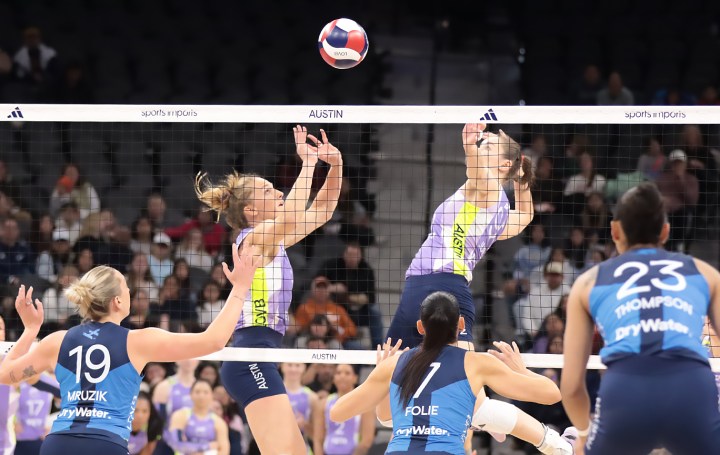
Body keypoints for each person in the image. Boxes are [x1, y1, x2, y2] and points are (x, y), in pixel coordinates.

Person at [0, 243, 260, 455]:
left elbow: (4, 375)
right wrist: (240, 287)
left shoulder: (57, 341)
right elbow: (213, 341)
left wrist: (30, 330)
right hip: (106, 444)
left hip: (59, 444)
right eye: (126, 288)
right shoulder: (138, 341)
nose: (130, 293)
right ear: (116, 301)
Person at [194, 125, 343, 455]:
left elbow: (322, 210)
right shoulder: (253, 239)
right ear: (251, 211)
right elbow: (290, 216)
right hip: (250, 356)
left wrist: (335, 165)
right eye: (269, 190)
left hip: (262, 355)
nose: (278, 193)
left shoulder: (274, 241)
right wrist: (308, 164)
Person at [561, 182, 720, 454]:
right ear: (665, 231)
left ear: (615, 231)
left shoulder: (587, 283)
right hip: (691, 390)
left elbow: (572, 387)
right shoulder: (705, 273)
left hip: (626, 393)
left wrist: (585, 435)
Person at [330, 292, 574, 455]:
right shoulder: (477, 363)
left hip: (400, 451)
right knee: (488, 412)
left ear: (420, 327)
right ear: (461, 325)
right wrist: (521, 370)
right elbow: (552, 394)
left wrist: (382, 377)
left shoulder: (393, 364)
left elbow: (337, 412)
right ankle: (559, 445)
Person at [387, 123, 533, 349]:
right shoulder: (497, 212)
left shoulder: (490, 189)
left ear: (504, 165)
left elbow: (478, 174)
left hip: (439, 284)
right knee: (397, 361)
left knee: (402, 360)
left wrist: (469, 145)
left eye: (488, 147)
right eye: (482, 145)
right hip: (433, 284)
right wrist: (520, 177)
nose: (482, 147)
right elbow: (525, 214)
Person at [313, 364, 375, 455]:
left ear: (355, 378)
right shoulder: (324, 403)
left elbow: (367, 440)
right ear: (334, 378)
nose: (342, 376)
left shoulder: (364, 404)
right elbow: (318, 438)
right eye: (338, 373)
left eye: (347, 373)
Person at [165, 379, 230, 455]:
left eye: (206, 392)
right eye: (197, 392)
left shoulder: (219, 422)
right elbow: (176, 444)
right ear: (190, 394)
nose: (201, 396)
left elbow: (224, 451)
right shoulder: (180, 416)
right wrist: (207, 446)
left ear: (212, 395)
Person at [152, 359, 200, 455]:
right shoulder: (164, 386)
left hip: (194, 445)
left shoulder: (202, 388)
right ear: (177, 360)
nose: (189, 361)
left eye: (194, 357)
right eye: (186, 357)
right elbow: (158, 422)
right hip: (168, 444)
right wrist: (176, 443)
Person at [281, 362, 318, 446]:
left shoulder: (312, 397)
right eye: (289, 365)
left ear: (304, 368)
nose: (293, 369)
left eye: (297, 365)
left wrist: (304, 424)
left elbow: (317, 434)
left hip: (302, 446)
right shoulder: (273, 393)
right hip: (278, 446)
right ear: (282, 366)